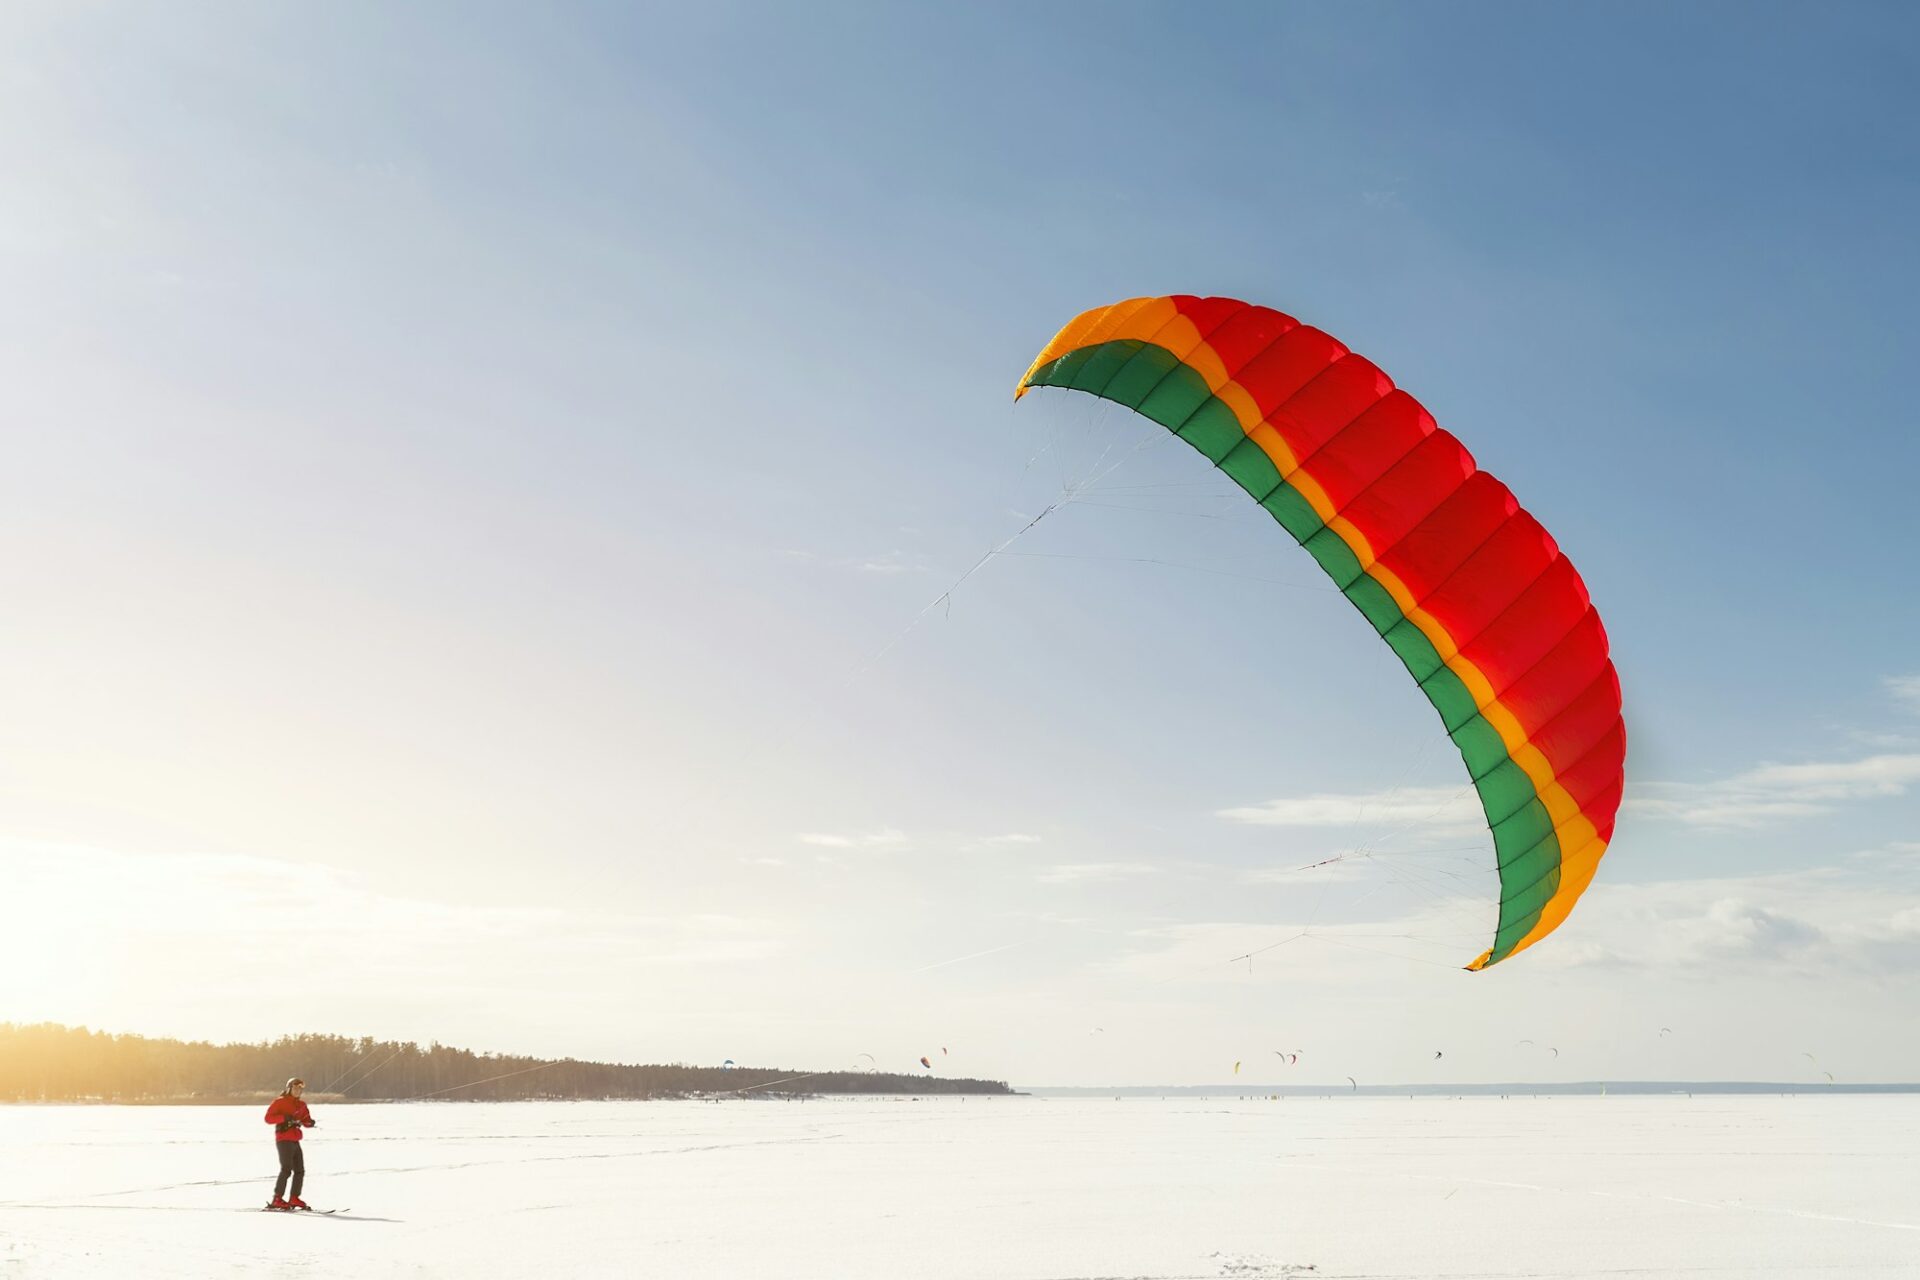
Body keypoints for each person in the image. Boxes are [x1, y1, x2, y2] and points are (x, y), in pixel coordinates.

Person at [263, 1077, 317, 1210]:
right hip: (283, 1140)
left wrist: (309, 1123)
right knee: (286, 1170)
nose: (298, 1091)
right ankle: (277, 1199)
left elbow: (306, 1120)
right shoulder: (280, 1102)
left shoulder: (302, 1105)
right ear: (289, 1089)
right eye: (295, 1088)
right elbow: (268, 1118)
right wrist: (284, 1118)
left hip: (295, 1140)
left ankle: (294, 1198)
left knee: (300, 1171)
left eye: (300, 1089)